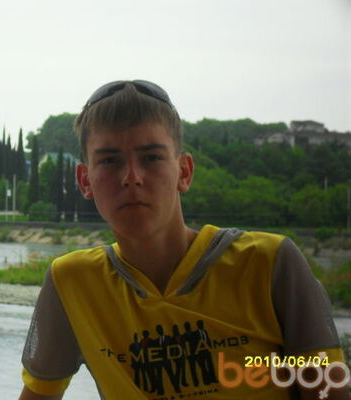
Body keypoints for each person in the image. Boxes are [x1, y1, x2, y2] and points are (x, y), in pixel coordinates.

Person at [18, 80, 348, 399]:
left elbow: (326, 391)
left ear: (185, 172)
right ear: (84, 180)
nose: (131, 177)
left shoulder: (269, 263)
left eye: (151, 157)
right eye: (109, 160)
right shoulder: (72, 282)